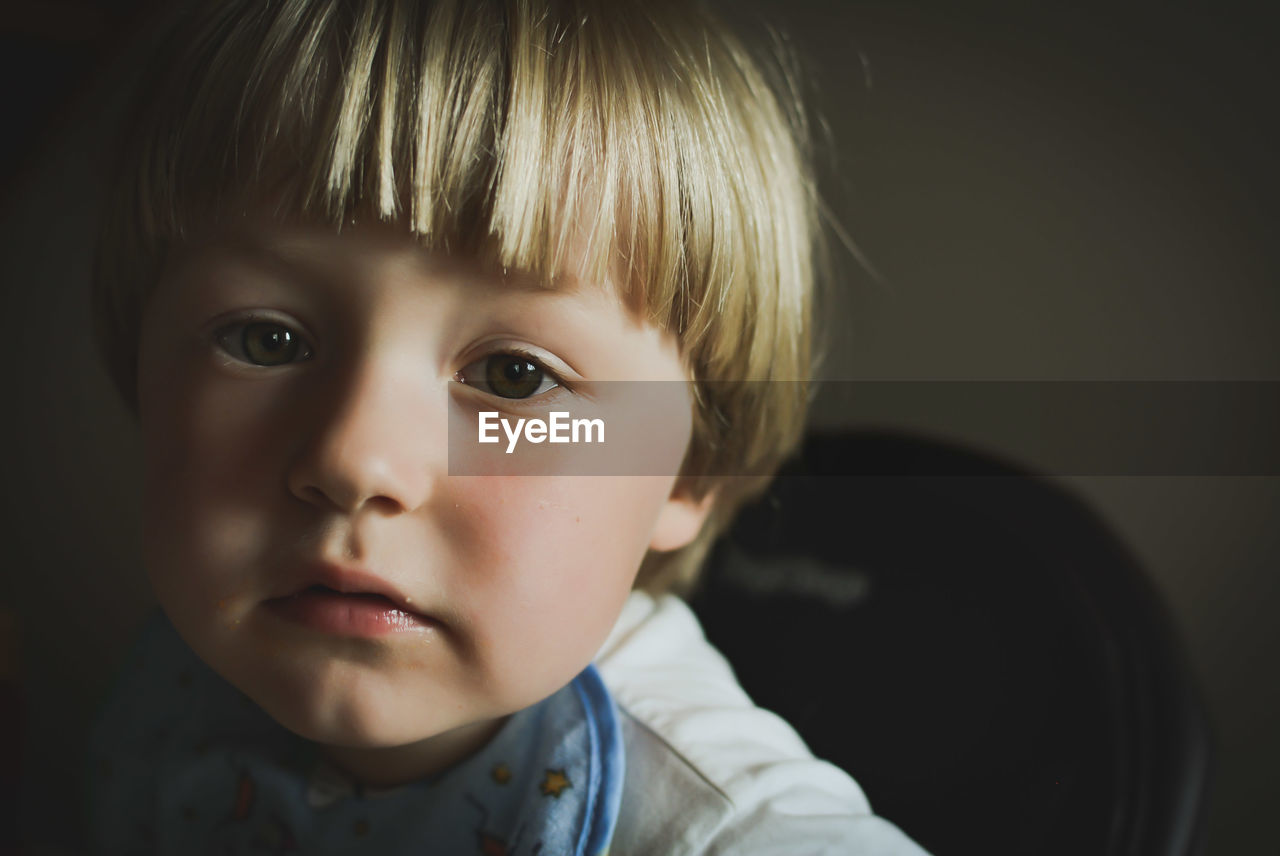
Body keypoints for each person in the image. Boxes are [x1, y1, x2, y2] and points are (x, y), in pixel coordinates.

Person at [86, 0, 929, 852]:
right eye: (267, 340)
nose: (353, 459)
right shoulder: (171, 682)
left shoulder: (717, 827)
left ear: (688, 468)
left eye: (514, 377)